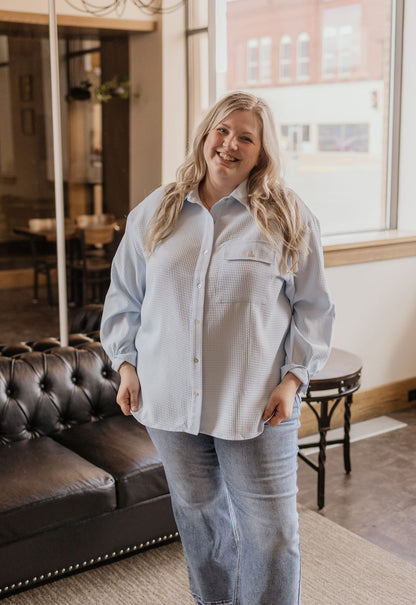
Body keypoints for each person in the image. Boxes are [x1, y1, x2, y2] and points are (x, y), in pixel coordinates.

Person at [100, 91, 335, 605]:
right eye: (222, 131)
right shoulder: (156, 210)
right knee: (201, 523)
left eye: (245, 137)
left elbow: (313, 309)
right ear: (206, 134)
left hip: (255, 404)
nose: (229, 145)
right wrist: (126, 365)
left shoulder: (288, 217)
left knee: (271, 535)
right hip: (169, 400)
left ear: (261, 151)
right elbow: (125, 297)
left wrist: (294, 380)